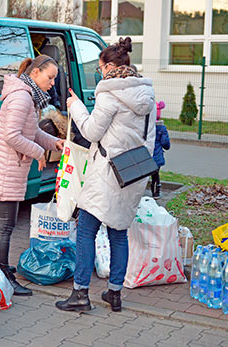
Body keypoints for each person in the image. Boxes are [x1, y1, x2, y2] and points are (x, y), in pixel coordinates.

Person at [55, 37, 156, 312]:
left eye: (100, 69)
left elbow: (90, 132)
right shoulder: (146, 94)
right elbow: (148, 138)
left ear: (110, 67)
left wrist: (75, 106)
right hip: (133, 172)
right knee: (118, 232)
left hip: (106, 173)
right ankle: (114, 294)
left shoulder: (109, 94)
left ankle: (80, 294)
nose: (100, 74)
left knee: (86, 230)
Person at [0, 55, 64, 296]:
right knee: (5, 226)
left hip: (5, 169)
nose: (51, 83)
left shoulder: (26, 95)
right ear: (36, 73)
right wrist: (39, 153)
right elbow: (12, 136)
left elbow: (33, 131)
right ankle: (4, 276)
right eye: (50, 78)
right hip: (6, 171)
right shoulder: (22, 97)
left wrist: (53, 143)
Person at [152, 101, 170, 199]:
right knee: (155, 174)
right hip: (157, 156)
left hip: (146, 155)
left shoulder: (145, 126)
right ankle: (156, 191)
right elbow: (165, 144)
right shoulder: (162, 129)